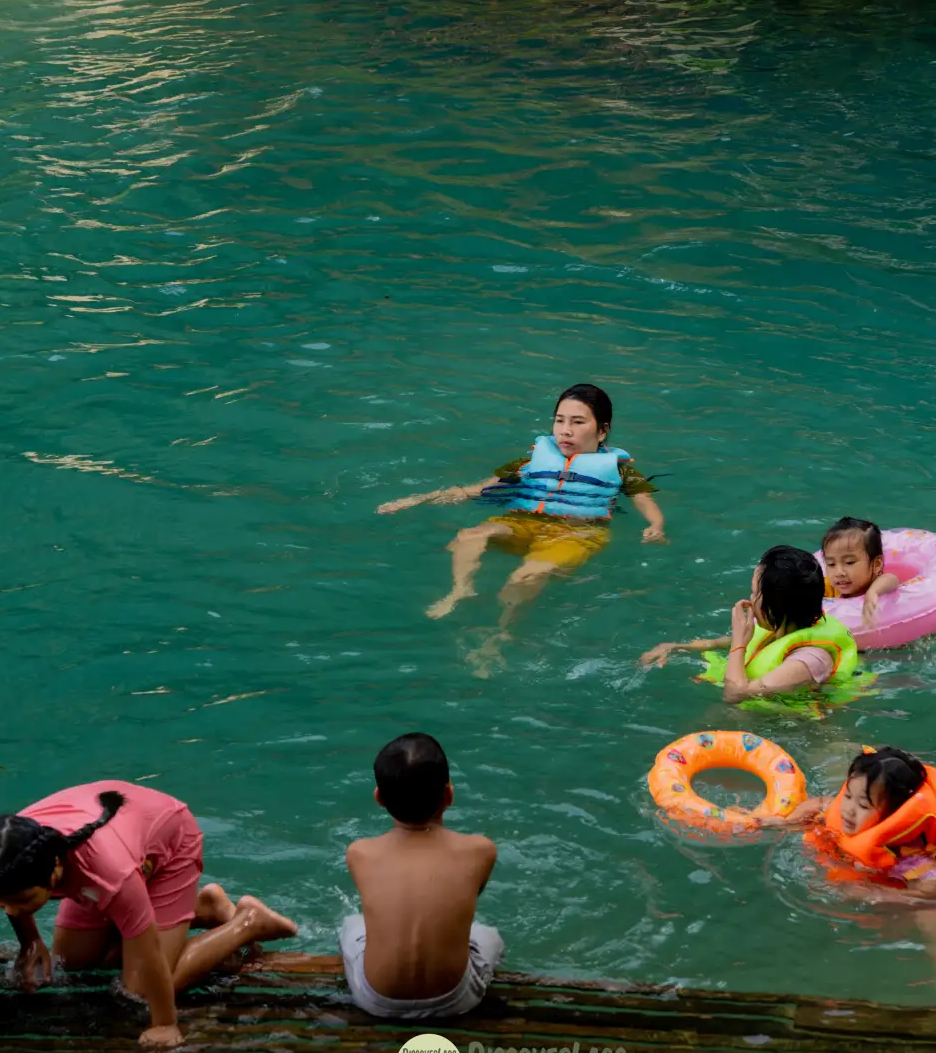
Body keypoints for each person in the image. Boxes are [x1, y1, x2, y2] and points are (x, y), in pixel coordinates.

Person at [0, 782, 297, 1049]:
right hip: (119, 836)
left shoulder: (107, 874)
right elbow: (7, 892)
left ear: (55, 870)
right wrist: (30, 942)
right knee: (71, 964)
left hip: (168, 843)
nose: (11, 910)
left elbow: (148, 948)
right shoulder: (0, 854)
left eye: (23, 900)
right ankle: (204, 908)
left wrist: (164, 1023)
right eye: (1, 904)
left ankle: (248, 922)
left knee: (138, 991)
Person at [377, 383, 666, 675]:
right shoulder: (530, 462)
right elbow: (478, 489)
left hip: (576, 534)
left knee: (526, 575)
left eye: (578, 422)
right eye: (560, 420)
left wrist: (656, 526)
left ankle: (500, 634)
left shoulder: (620, 470)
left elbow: (645, 501)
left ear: (602, 431)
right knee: (470, 535)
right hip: (523, 522)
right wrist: (418, 499)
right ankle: (460, 590)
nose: (565, 431)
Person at [764, 745, 936, 1006]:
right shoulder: (841, 812)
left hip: (918, 894)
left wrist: (875, 893)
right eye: (848, 796)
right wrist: (785, 822)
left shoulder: (909, 855)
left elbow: (931, 890)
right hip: (860, 873)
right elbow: (818, 805)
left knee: (930, 916)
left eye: (863, 805)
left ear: (894, 815)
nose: (848, 809)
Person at [341, 733, 501, 1019]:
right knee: (488, 935)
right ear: (449, 795)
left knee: (351, 924)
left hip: (376, 1001)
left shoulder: (359, 853)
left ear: (379, 798)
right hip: (455, 1000)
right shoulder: (481, 850)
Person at [638, 544, 861, 711]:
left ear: (776, 605)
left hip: (795, 731)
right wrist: (678, 647)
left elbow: (734, 694)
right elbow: (728, 643)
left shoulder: (809, 660)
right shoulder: (785, 626)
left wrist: (738, 641)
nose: (750, 598)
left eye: (755, 592)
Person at [820, 517, 901, 629]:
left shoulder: (875, 585)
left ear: (877, 564)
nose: (839, 572)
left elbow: (892, 579)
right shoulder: (830, 587)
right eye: (831, 564)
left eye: (849, 562)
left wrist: (873, 592)